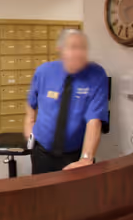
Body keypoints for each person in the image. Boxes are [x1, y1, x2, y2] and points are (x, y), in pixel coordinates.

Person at [23, 29, 111, 174]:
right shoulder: (43, 72)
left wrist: (86, 158)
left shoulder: (96, 75)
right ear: (61, 50)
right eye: (73, 47)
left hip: (74, 154)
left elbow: (94, 120)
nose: (79, 53)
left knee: (73, 196)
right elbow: (31, 103)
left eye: (83, 47)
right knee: (43, 195)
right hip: (42, 152)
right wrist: (30, 125)